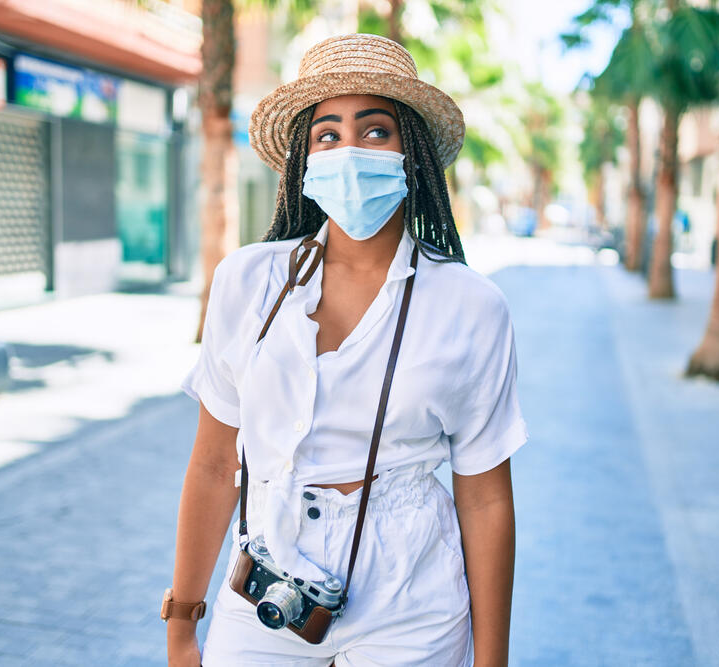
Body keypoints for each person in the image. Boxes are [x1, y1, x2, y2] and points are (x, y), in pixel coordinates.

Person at [165, 33, 528, 667]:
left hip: (411, 592)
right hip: (264, 586)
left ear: (410, 153)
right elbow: (215, 462)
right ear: (305, 162)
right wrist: (182, 621)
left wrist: (491, 660)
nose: (350, 150)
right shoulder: (247, 282)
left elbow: (486, 494)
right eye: (328, 135)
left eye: (376, 131)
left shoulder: (471, 305)